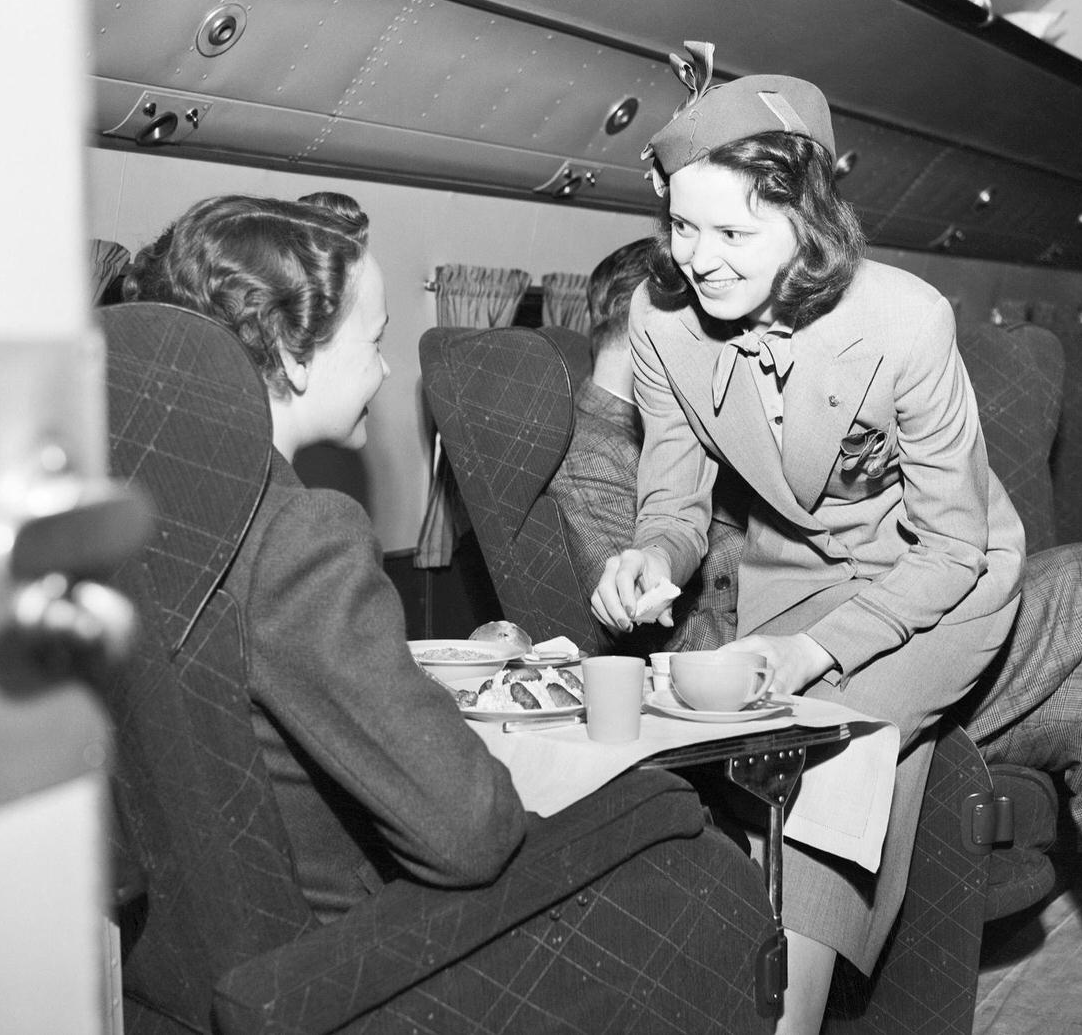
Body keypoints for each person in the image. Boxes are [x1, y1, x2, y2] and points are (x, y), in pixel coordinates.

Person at [590, 43, 1082, 1035]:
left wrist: (814, 653)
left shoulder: (903, 320)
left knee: (827, 744)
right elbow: (670, 501)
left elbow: (954, 552)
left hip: (943, 595)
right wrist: (647, 561)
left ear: (803, 219)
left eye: (729, 230)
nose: (696, 256)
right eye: (680, 224)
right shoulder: (661, 325)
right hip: (794, 597)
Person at [123, 194, 776, 1032]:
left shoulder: (137, 520)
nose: (387, 371)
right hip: (360, 966)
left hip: (189, 976)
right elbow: (471, 831)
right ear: (291, 353)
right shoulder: (296, 532)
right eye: (373, 340)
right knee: (697, 858)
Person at [551, 237, 748, 655]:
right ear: (652, 329)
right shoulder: (591, 456)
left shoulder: (667, 436)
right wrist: (796, 642)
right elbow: (657, 634)